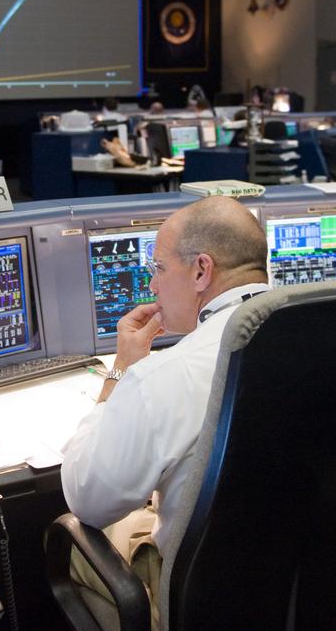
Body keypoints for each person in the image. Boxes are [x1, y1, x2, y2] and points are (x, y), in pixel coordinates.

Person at [62, 196, 270, 625]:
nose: (153, 286)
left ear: (201, 270)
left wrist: (119, 375)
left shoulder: (165, 376)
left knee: (76, 539)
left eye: (159, 269)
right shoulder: (334, 339)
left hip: (211, 604)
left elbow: (88, 498)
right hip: (326, 588)